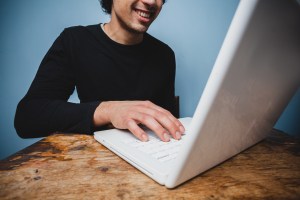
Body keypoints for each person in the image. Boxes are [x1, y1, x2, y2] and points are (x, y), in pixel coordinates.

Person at [14, 0, 185, 142]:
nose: (150, 1)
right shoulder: (74, 40)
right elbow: (28, 118)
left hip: (147, 154)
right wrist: (108, 111)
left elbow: (166, 125)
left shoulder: (164, 55)